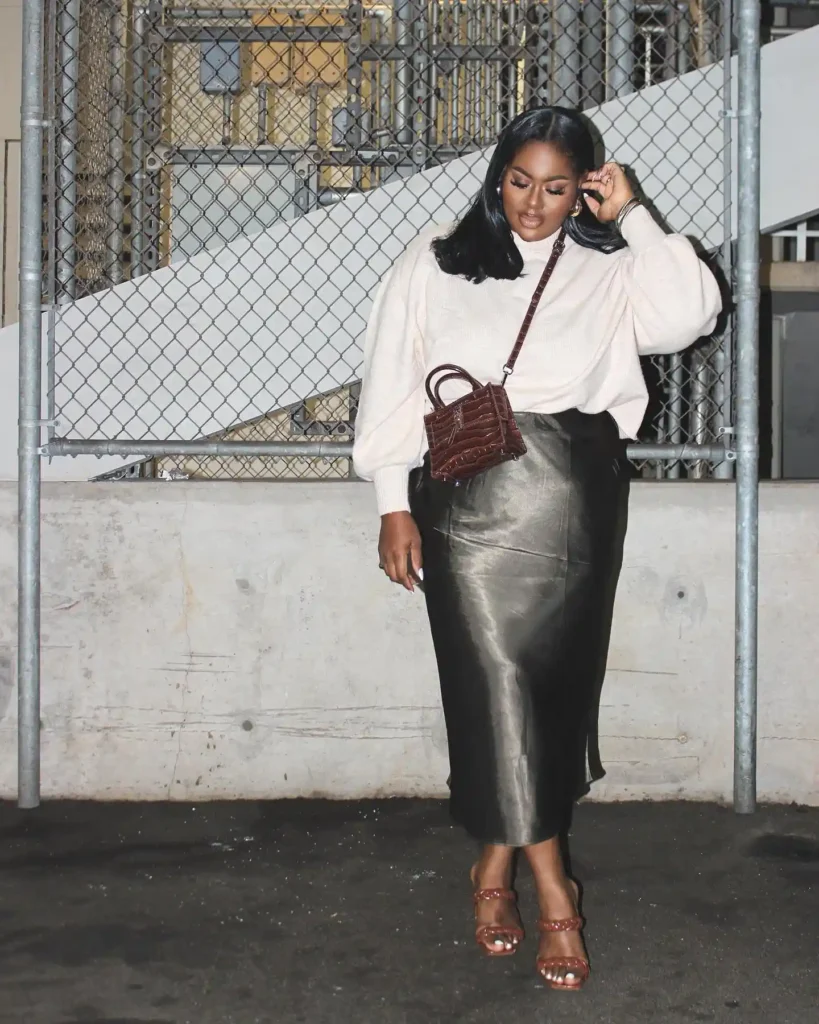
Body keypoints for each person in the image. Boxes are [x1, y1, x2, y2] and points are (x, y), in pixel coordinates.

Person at [352, 106, 721, 991]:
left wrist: (630, 216)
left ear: (583, 186)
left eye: (558, 188)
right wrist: (390, 502)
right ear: (495, 174)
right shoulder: (437, 259)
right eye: (519, 182)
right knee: (491, 682)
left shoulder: (609, 264)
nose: (533, 204)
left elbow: (691, 316)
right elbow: (392, 378)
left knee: (550, 687)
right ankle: (552, 883)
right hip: (466, 490)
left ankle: (493, 862)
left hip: (571, 491)